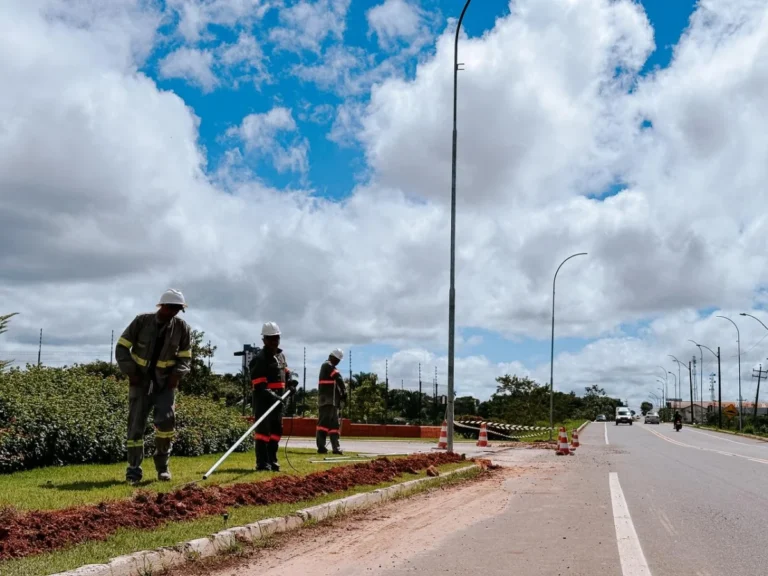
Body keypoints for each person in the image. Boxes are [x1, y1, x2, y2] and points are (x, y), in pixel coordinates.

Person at [115, 289, 192, 484]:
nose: (175, 312)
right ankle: (133, 470)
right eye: (172, 308)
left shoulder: (182, 328)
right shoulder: (141, 321)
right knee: (135, 427)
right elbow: (122, 347)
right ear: (162, 306)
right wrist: (131, 372)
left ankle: (162, 467)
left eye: (178, 309)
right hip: (140, 382)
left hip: (165, 384)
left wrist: (176, 376)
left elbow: (185, 357)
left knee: (166, 423)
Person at [249, 322, 297, 471]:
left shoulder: (281, 356)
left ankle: (272, 459)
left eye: (276, 338)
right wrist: (273, 396)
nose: (274, 341)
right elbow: (259, 384)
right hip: (264, 402)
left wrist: (290, 383)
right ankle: (262, 463)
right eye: (270, 339)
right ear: (264, 340)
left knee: (277, 431)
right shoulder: (260, 358)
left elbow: (286, 372)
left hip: (279, 401)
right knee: (263, 432)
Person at [316, 349, 347, 455]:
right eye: (337, 359)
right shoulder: (327, 365)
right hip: (327, 401)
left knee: (334, 426)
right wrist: (344, 391)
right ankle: (321, 447)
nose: (338, 362)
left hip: (333, 402)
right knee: (323, 424)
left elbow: (336, 383)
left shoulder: (331, 367)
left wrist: (341, 396)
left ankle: (336, 448)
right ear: (332, 357)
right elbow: (338, 377)